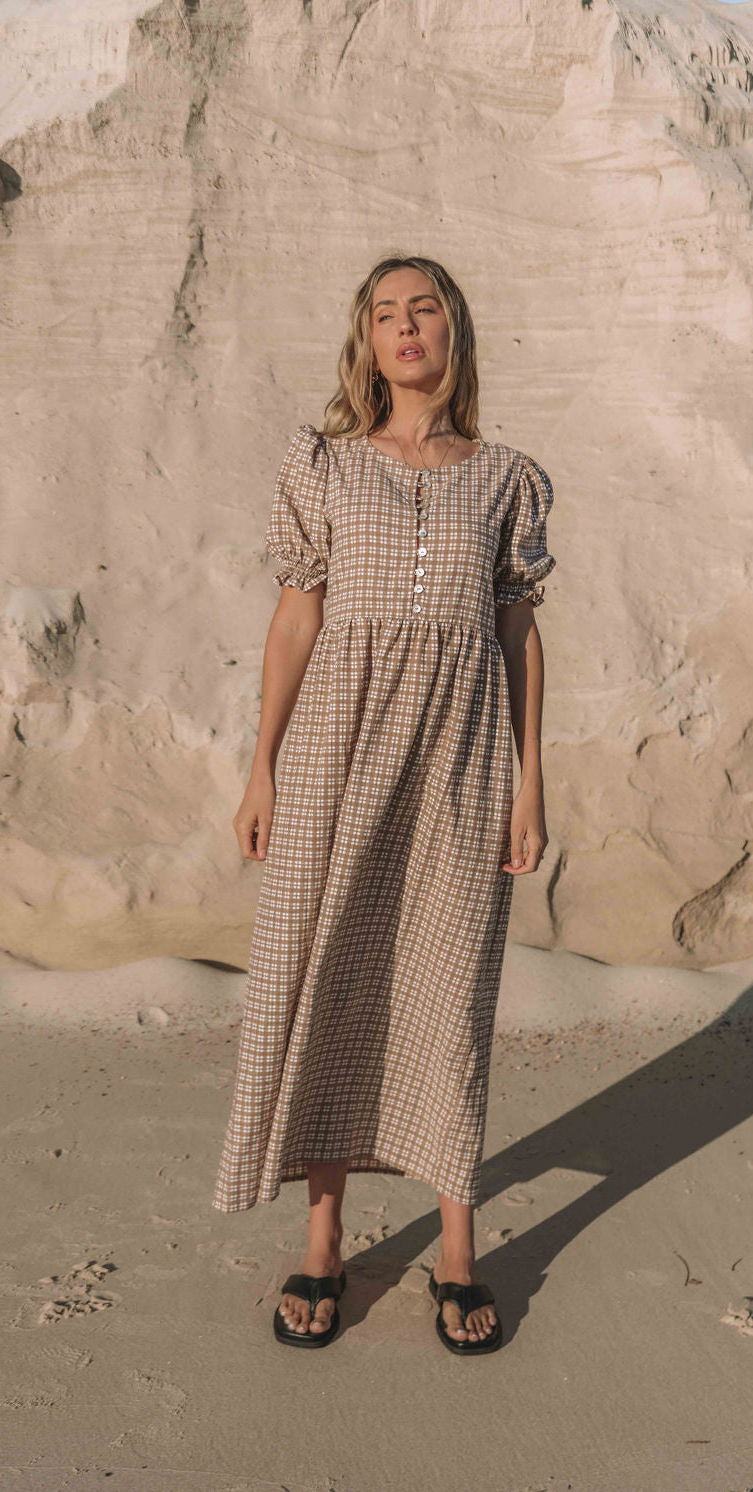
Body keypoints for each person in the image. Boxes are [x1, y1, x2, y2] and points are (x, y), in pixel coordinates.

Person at [212, 253, 555, 1354]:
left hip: (458, 758)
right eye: (385, 314)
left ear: (455, 333)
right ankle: (324, 1241)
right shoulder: (324, 464)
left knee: (448, 987)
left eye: (425, 311)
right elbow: (295, 620)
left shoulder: (506, 476)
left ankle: (456, 1250)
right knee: (330, 976)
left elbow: (515, 632)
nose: (405, 329)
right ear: (365, 340)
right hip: (333, 753)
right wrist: (261, 763)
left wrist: (528, 778)